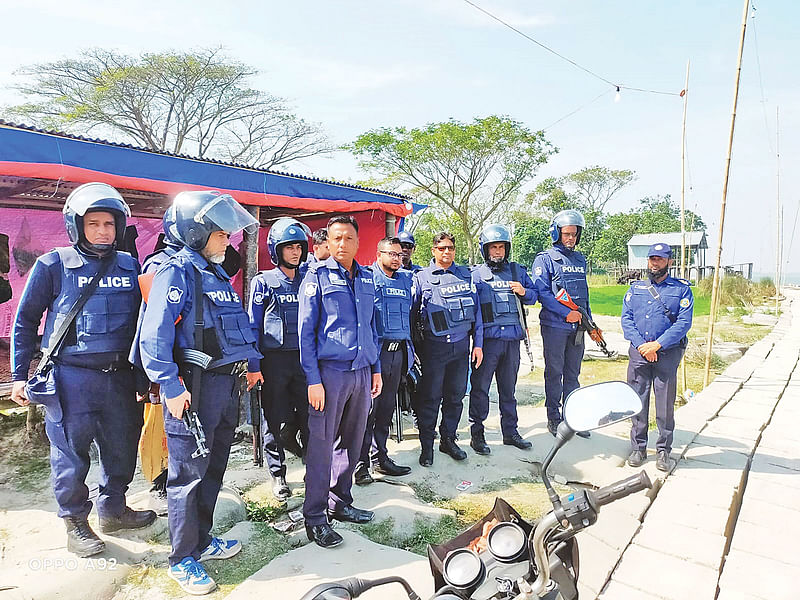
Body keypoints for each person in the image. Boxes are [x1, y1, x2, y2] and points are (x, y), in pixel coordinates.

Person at [10, 182, 156, 558]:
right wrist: (19, 376)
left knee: (122, 447)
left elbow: (143, 325)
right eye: (94, 223)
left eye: (109, 223)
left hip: (120, 378)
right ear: (77, 226)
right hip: (72, 378)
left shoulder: (130, 265)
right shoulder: (53, 264)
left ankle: (114, 509)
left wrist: (146, 377)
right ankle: (76, 523)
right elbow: (25, 321)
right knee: (71, 455)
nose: (104, 231)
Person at [136, 190, 262, 595]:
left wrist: (250, 369)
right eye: (221, 233)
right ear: (196, 230)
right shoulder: (176, 271)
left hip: (227, 387)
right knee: (187, 477)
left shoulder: (217, 273)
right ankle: (181, 558)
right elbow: (153, 337)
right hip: (194, 389)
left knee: (213, 469)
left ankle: (202, 541)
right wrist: (170, 385)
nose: (229, 240)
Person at [298, 215, 382, 549]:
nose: (343, 244)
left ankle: (340, 501)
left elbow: (371, 326)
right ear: (328, 243)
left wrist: (375, 368)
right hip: (329, 373)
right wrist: (312, 380)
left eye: (348, 238)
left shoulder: (365, 278)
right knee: (321, 446)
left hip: (361, 371)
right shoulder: (316, 277)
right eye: (336, 239)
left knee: (353, 441)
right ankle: (315, 517)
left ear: (358, 242)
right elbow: (305, 333)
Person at [247, 217, 310, 501]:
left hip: (305, 361)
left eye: (299, 247)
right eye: (289, 247)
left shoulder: (309, 280)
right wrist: (253, 365)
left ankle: (314, 469)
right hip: (273, 361)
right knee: (271, 418)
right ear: (277, 250)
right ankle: (278, 473)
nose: (295, 252)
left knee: (310, 417)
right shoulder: (264, 282)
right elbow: (253, 326)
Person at [412, 232, 483, 467]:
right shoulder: (421, 278)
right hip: (434, 349)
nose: (446, 252)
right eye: (441, 248)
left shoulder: (465, 275)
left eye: (450, 248)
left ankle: (448, 440)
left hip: (461, 348)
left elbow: (477, 314)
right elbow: (413, 317)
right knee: (430, 398)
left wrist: (478, 344)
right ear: (433, 250)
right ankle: (426, 446)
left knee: (455, 397)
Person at [622, 243, 693, 472]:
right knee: (637, 401)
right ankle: (638, 447)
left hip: (667, 353)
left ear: (669, 262)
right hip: (640, 353)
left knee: (664, 405)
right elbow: (627, 320)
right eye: (652, 259)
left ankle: (663, 450)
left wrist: (657, 344)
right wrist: (643, 345)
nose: (655, 263)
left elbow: (683, 323)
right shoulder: (635, 289)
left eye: (660, 259)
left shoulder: (681, 290)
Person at [468, 224, 537, 455]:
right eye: (493, 248)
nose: (497, 252)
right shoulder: (475, 275)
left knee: (509, 390)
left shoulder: (517, 272)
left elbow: (534, 296)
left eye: (501, 247)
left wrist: (524, 291)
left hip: (512, 343)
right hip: (488, 343)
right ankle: (477, 434)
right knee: (480, 390)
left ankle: (511, 432)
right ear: (485, 250)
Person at [354, 237, 414, 485]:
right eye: (392, 254)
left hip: (397, 353)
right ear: (379, 254)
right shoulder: (367, 278)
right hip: (375, 354)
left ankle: (381, 457)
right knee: (367, 411)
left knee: (386, 409)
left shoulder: (405, 280)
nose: (398, 259)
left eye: (400, 255)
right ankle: (360, 464)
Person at [533, 209, 593, 438]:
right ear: (556, 233)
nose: (570, 238)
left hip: (577, 328)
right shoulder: (545, 259)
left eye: (574, 234)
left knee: (572, 374)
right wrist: (565, 313)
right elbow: (543, 293)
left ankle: (573, 418)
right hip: (555, 326)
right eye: (566, 234)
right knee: (554, 372)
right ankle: (553, 417)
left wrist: (590, 323)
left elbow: (583, 294)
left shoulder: (579, 259)